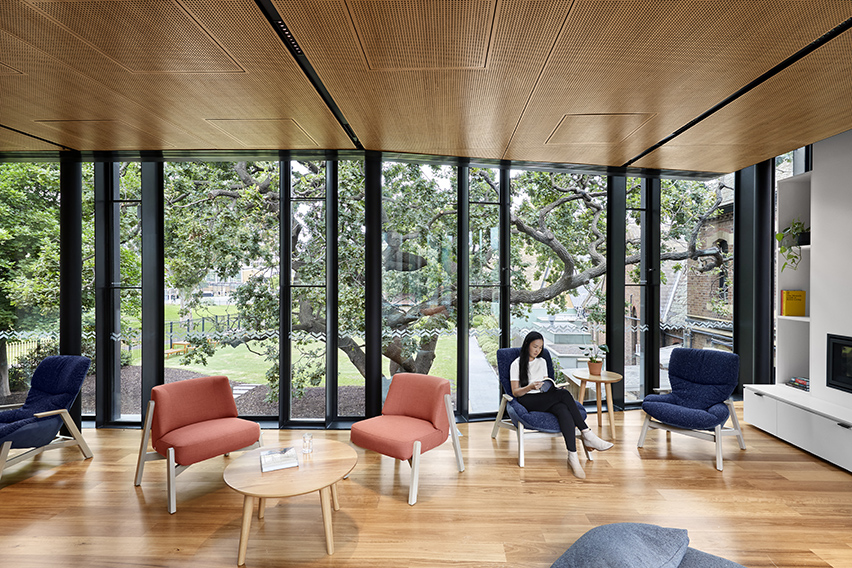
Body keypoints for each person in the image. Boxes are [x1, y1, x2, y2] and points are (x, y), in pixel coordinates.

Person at [510, 331, 613, 479]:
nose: (537, 350)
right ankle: (587, 433)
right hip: (527, 399)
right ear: (527, 344)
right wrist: (530, 387)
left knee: (563, 408)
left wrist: (552, 388)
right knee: (564, 395)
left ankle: (573, 456)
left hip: (543, 397)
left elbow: (546, 384)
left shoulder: (542, 362)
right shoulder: (516, 364)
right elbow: (515, 392)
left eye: (540, 348)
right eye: (535, 347)